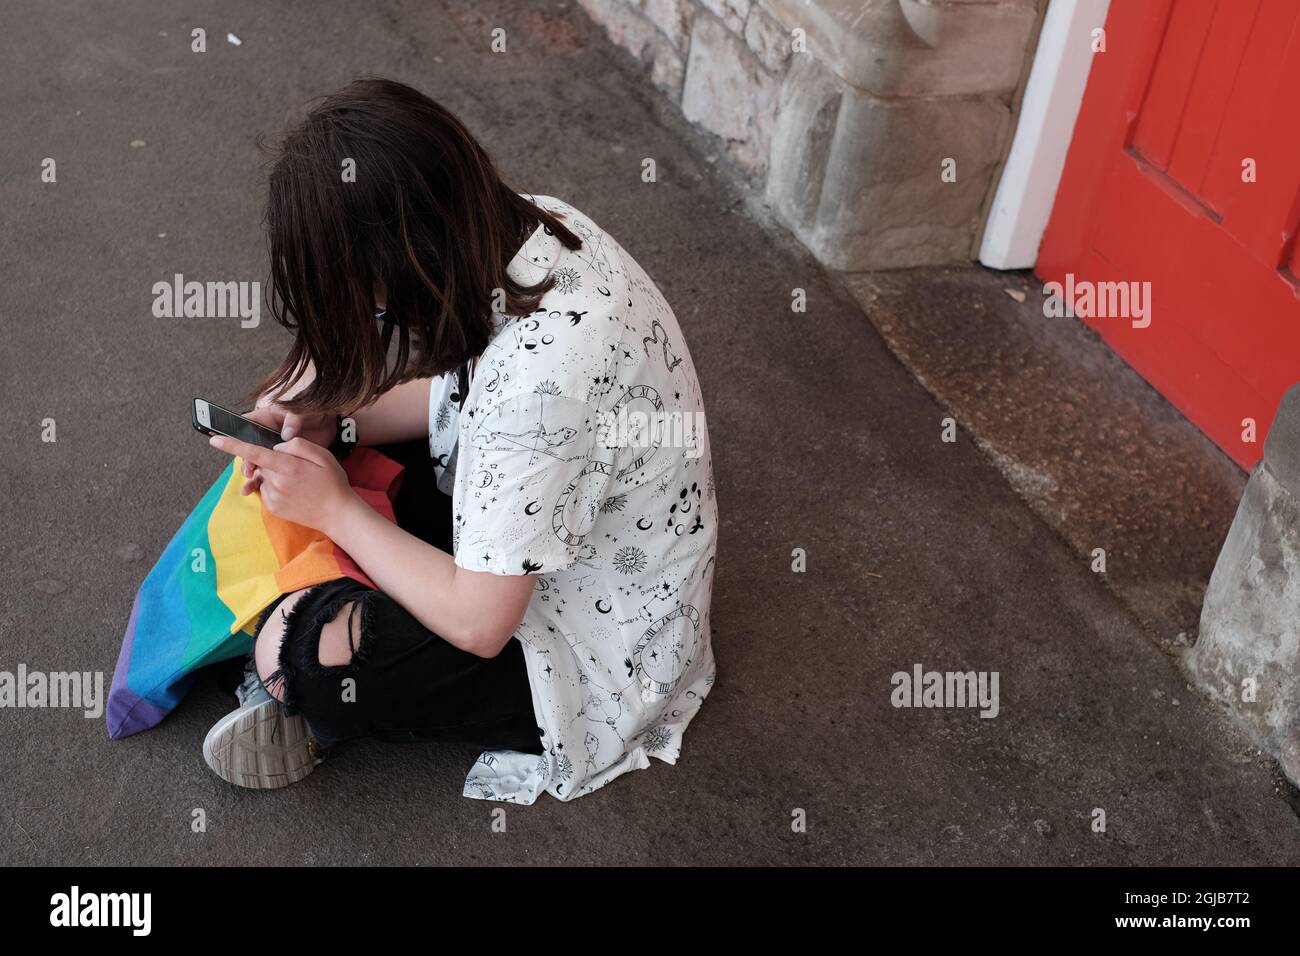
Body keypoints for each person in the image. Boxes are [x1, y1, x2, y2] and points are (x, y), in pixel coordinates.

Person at [202, 77, 717, 802]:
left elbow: (481, 625)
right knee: (324, 456)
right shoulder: (535, 224)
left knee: (306, 651)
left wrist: (337, 511)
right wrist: (342, 419)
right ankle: (304, 642)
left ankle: (299, 692)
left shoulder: (538, 384)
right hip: (572, 548)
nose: (372, 317)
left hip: (595, 662)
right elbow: (465, 398)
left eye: (366, 299)